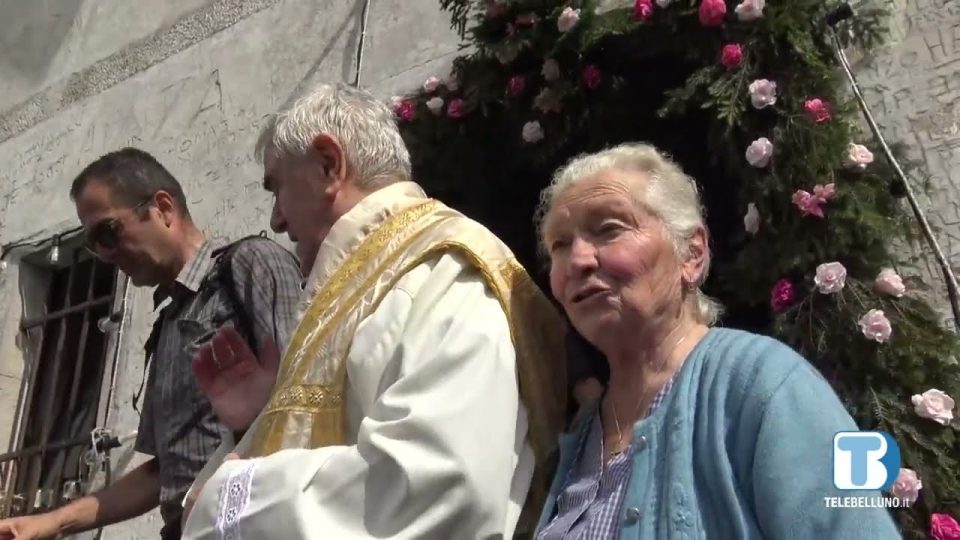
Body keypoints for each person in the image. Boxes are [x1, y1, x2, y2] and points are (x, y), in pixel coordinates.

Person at [180, 83, 567, 539]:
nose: (276, 220)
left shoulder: (444, 270)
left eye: (276, 187)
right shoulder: (357, 286)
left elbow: (435, 486)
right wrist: (257, 424)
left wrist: (228, 503)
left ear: (328, 164)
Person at [533, 143, 902, 538]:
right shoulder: (582, 433)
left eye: (609, 229)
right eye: (560, 244)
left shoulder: (764, 383)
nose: (577, 261)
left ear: (692, 253)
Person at [0, 148, 303, 540]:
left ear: (163, 207)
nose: (106, 256)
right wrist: (52, 522)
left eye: (109, 233)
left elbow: (304, 400)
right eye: (94, 244)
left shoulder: (248, 266)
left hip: (250, 523)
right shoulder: (168, 321)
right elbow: (165, 470)